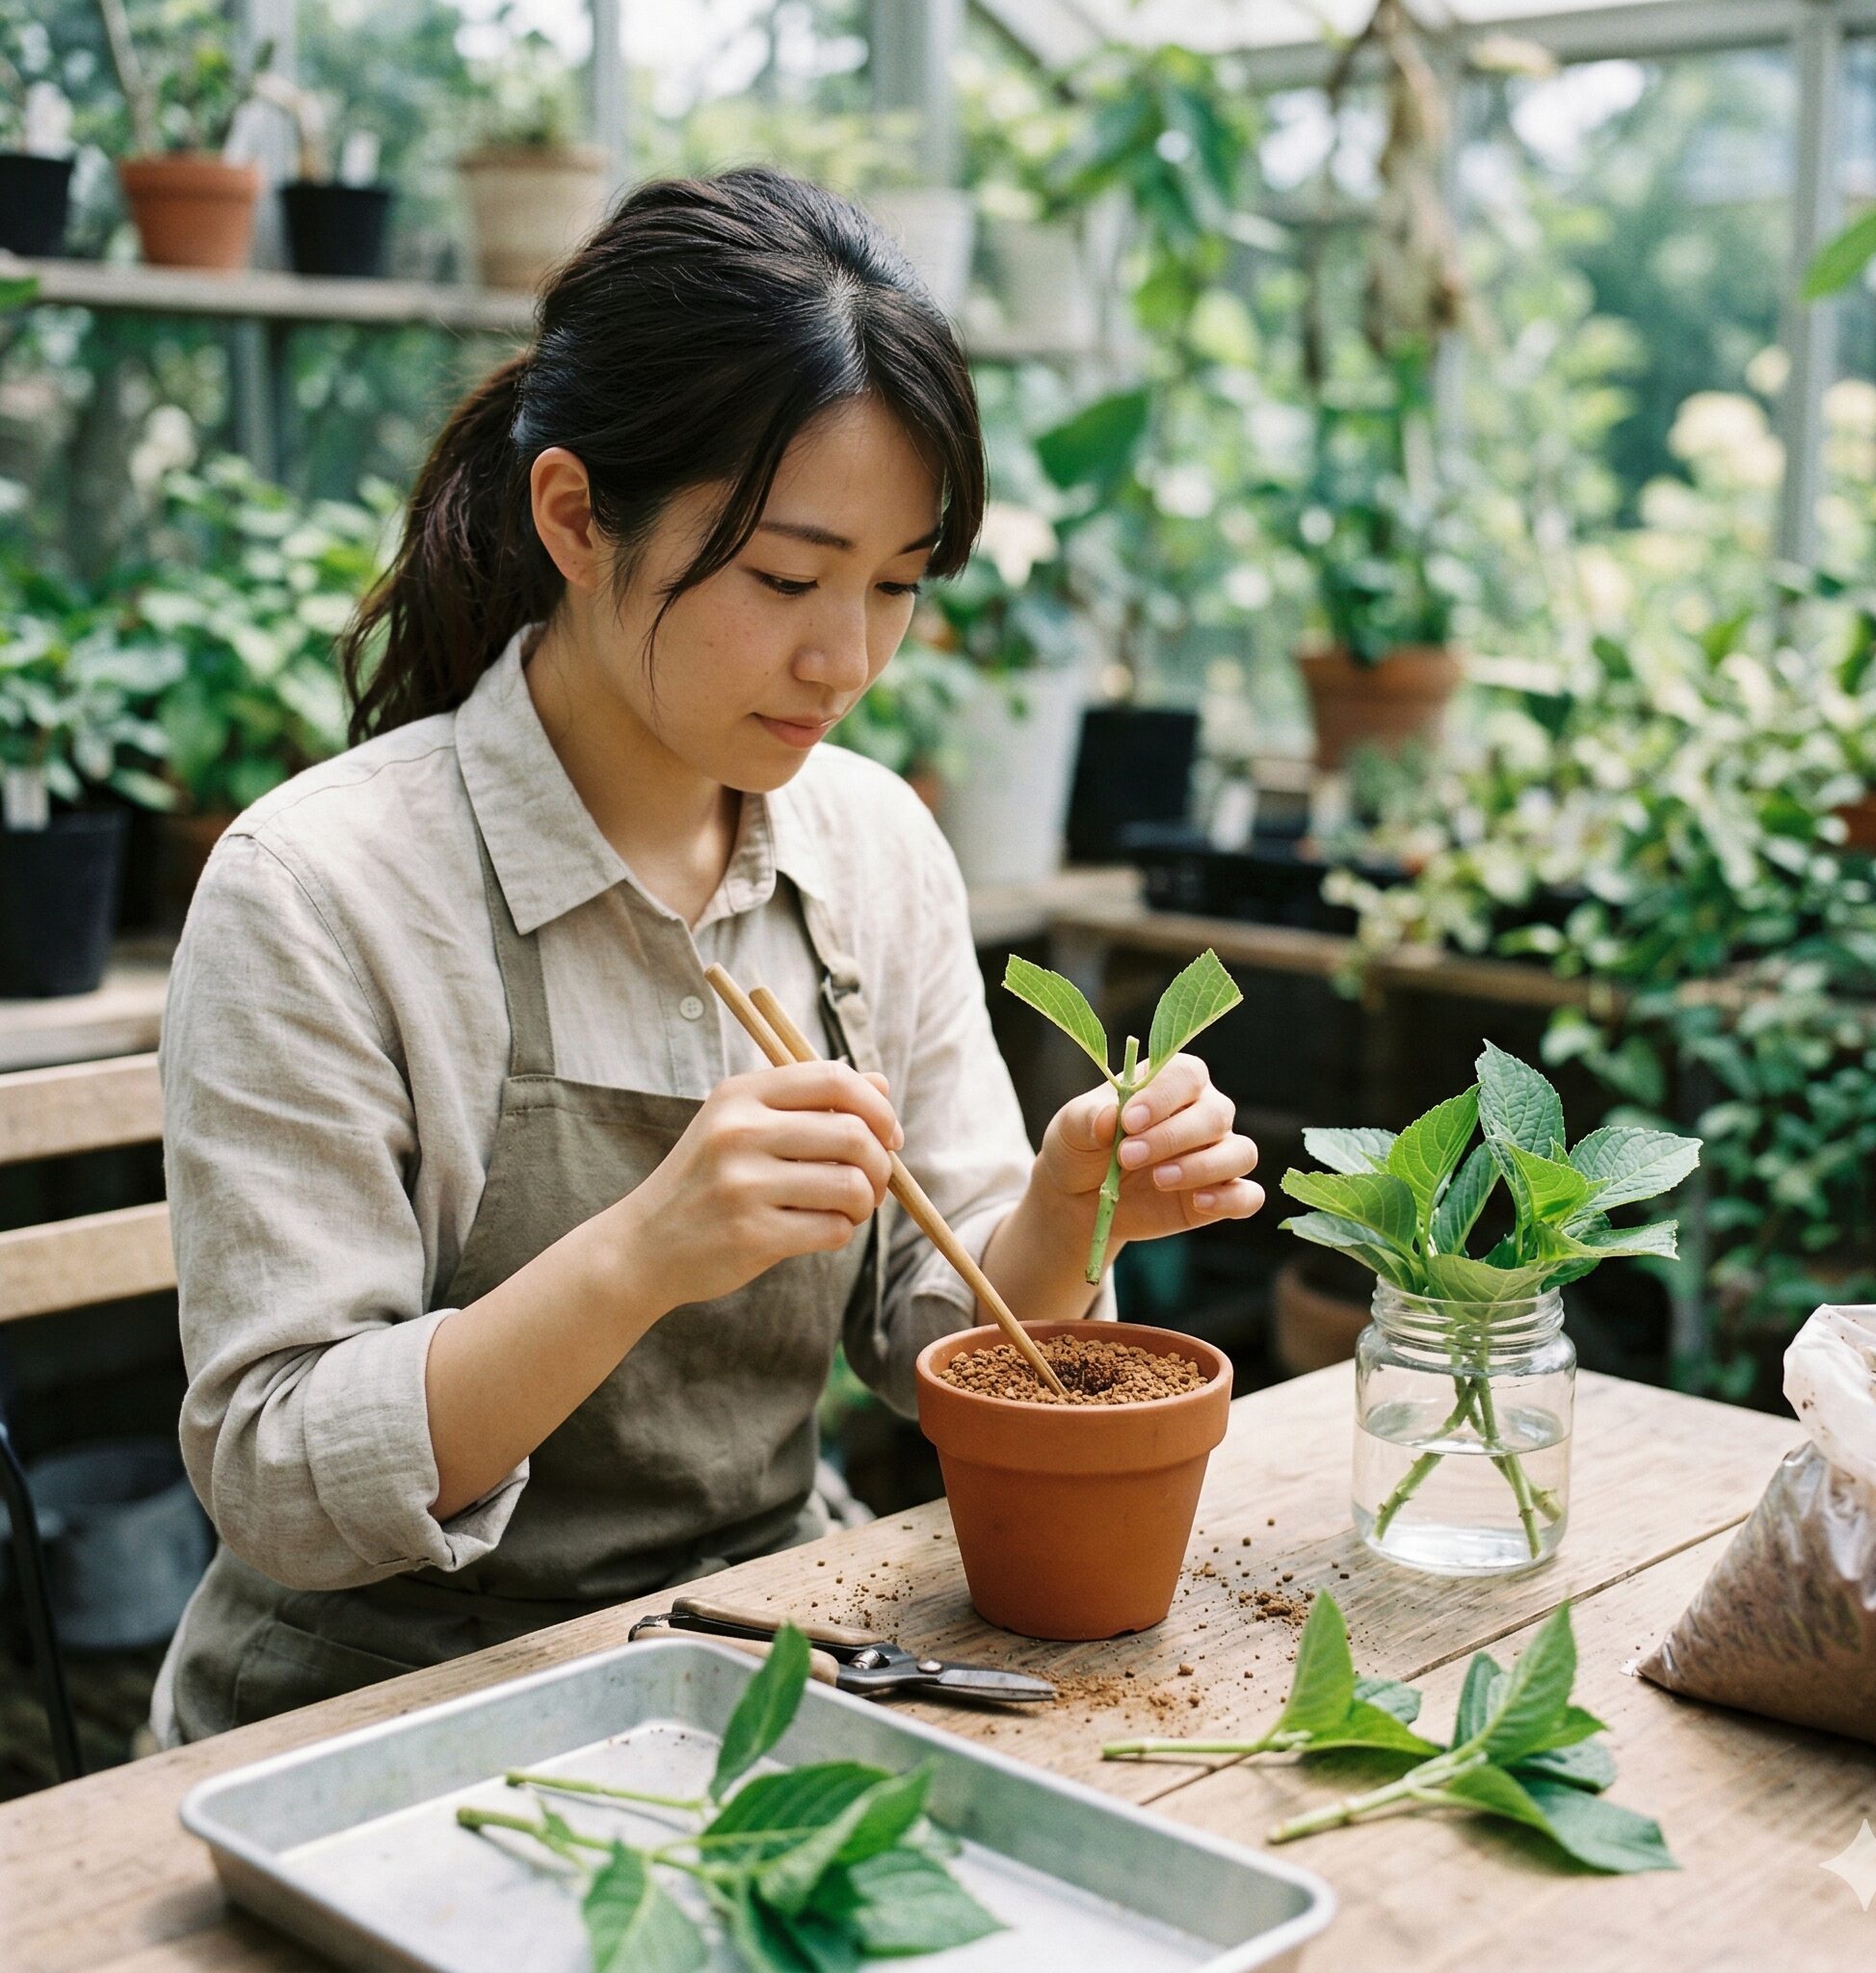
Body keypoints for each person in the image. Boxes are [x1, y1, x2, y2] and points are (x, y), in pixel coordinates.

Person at [151, 168, 1263, 1743]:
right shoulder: (319, 891)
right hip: (379, 1706)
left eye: (896, 586)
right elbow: (277, 1481)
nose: (849, 660)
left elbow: (928, 1341)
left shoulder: (869, 847)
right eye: (788, 578)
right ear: (575, 517)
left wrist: (1071, 1210)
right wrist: (638, 1254)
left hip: (767, 1654)